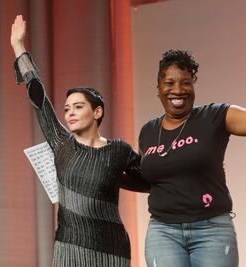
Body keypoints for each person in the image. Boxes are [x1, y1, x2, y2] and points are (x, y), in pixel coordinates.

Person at [139, 28, 246, 267]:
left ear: (193, 86)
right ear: (158, 88)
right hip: (163, 232)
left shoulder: (214, 116)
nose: (178, 90)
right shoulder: (148, 131)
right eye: (169, 83)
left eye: (186, 83)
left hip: (211, 230)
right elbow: (146, 179)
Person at [10, 15, 149, 267]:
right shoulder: (61, 142)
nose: (70, 113)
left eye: (78, 106)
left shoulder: (119, 150)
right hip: (69, 247)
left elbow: (152, 180)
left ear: (97, 112)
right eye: (66, 109)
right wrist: (19, 47)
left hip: (111, 248)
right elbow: (38, 97)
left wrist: (193, 172)